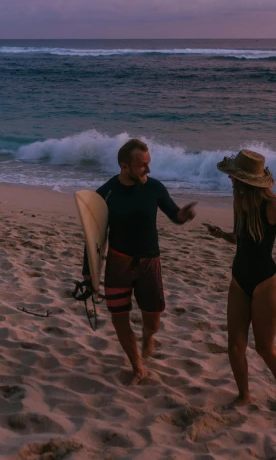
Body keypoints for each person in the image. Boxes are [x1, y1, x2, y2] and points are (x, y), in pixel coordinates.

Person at [205, 149, 276, 411]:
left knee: (264, 348)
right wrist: (222, 235)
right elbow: (242, 239)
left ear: (246, 180)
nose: (231, 180)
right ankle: (244, 395)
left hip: (266, 283)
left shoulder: (272, 207)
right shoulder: (240, 202)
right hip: (239, 280)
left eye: (235, 177)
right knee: (235, 346)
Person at [82, 139, 197, 385]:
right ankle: (137, 366)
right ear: (125, 166)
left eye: (149, 164)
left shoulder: (155, 188)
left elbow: (173, 214)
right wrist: (87, 274)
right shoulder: (106, 194)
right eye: (142, 166)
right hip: (118, 263)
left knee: (153, 321)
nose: (148, 170)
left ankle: (148, 335)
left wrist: (183, 216)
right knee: (119, 318)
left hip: (149, 264)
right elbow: (93, 236)